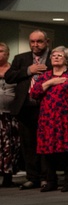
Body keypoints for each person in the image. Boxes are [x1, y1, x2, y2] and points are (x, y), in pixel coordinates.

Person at [29, 46, 68, 192]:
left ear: (66, 59)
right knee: (48, 152)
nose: (55, 57)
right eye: (53, 55)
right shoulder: (45, 76)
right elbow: (34, 93)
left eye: (59, 55)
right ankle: (51, 181)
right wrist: (49, 83)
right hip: (47, 120)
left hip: (66, 119)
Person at [3, 30, 51, 189]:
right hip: (25, 107)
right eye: (32, 42)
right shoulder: (21, 58)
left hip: (47, 107)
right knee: (28, 144)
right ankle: (32, 177)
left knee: (45, 143)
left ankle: (46, 177)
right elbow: (9, 77)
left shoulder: (54, 57)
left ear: (47, 42)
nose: (35, 45)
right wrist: (28, 71)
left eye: (39, 41)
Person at [0, 42, 21, 187]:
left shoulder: (13, 71)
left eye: (1, 51)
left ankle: (8, 176)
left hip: (10, 114)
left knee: (10, 146)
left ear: (8, 53)